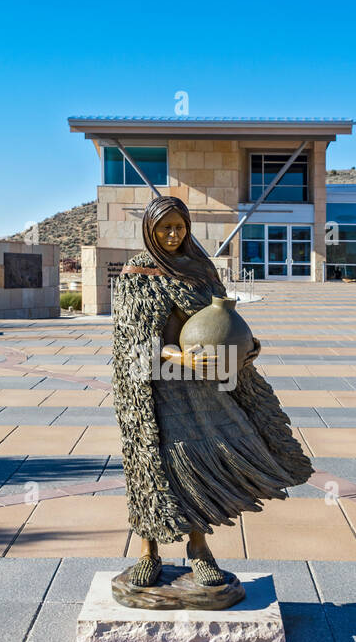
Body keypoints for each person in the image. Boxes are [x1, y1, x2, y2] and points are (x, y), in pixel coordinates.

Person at [112, 196, 312, 587]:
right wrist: (183, 359)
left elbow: (225, 321)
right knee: (155, 466)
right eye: (164, 228)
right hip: (157, 389)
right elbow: (135, 341)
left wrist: (249, 347)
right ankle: (148, 551)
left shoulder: (200, 270)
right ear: (150, 230)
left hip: (205, 386)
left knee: (203, 461)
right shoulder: (137, 273)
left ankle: (199, 548)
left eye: (179, 227)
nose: (172, 235)